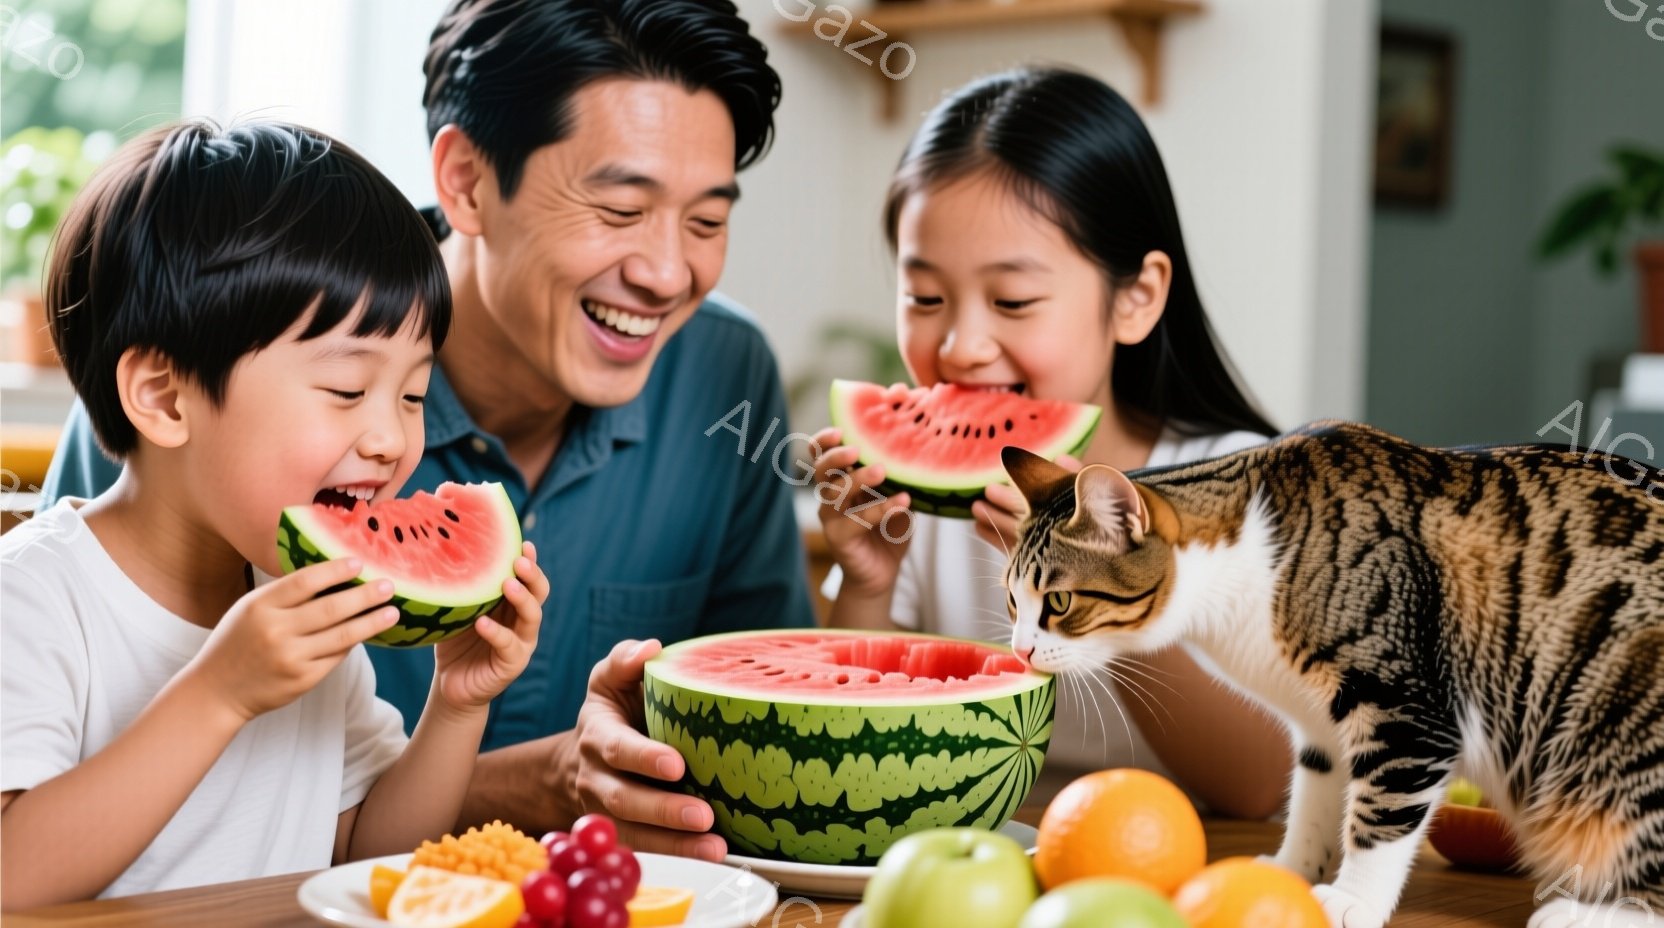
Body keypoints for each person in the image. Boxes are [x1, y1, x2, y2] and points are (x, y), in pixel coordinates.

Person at [41, 0, 814, 860]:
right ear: (468, 182)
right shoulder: (205, 385)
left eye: (707, 221)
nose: (669, 273)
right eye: (621, 209)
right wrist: (549, 778)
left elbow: (362, 843)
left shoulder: (721, 375)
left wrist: (458, 707)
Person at [1, 120, 549, 908]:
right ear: (163, 398)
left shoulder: (300, 605)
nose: (393, 439)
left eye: (414, 395)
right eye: (347, 391)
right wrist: (220, 693)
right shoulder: (34, 602)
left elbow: (372, 857)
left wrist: (457, 704)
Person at [813, 68, 1290, 818]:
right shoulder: (931, 512)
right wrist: (868, 585)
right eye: (925, 298)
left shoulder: (1244, 492)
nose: (964, 345)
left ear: (1135, 298)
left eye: (1012, 301)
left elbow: (1261, 782)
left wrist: (1116, 580)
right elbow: (846, 762)